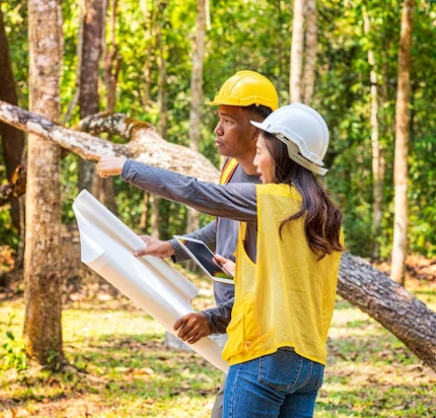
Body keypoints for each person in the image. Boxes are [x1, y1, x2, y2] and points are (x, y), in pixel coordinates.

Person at [94, 103, 343, 418]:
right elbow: (293, 288)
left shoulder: (270, 200)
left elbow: (196, 191)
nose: (255, 159)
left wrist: (127, 168)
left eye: (262, 151)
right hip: (309, 365)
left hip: (262, 355)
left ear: (282, 156)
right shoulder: (325, 216)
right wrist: (183, 252)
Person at [128, 70, 279, 417]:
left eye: (228, 120)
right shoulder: (230, 168)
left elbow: (266, 290)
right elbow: (223, 225)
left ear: (257, 129)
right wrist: (173, 247)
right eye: (218, 119)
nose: (218, 129)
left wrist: (212, 319)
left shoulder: (273, 187)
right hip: (234, 323)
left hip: (256, 332)